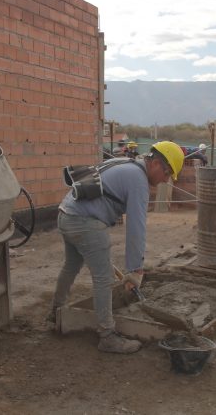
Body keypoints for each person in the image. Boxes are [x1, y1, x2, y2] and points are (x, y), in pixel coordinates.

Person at [50, 141, 185, 354]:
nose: (165, 181)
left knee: (71, 266)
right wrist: (136, 269)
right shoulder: (138, 180)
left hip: (66, 215)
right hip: (86, 222)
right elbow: (136, 227)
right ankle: (107, 336)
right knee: (104, 278)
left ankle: (56, 311)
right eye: (167, 174)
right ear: (157, 163)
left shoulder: (124, 163)